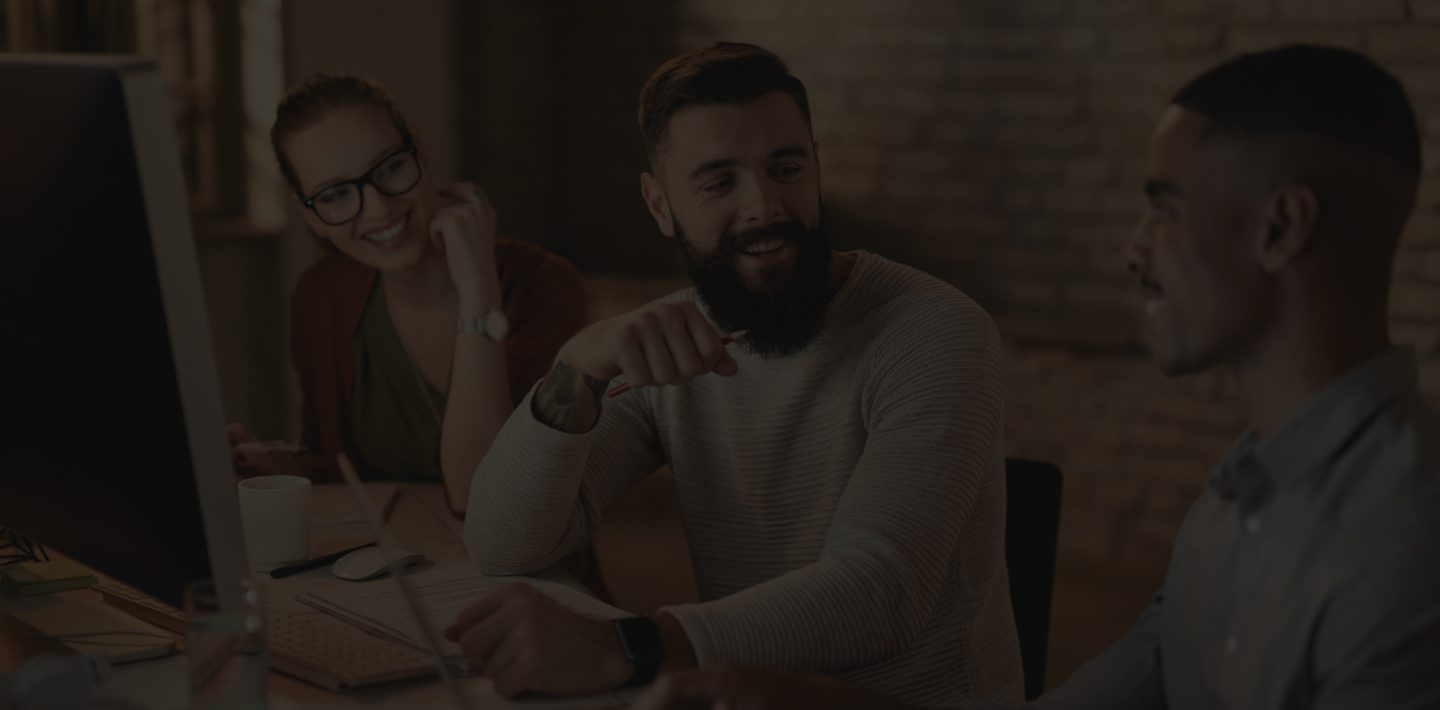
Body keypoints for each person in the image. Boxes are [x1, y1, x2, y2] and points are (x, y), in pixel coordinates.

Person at [630, 44, 1440, 710]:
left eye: (1166, 209)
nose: (1135, 249)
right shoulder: (1240, 495)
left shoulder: (1401, 543)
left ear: (1282, 228)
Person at [442, 43, 1023, 705]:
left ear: (816, 166)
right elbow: (501, 541)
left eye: (785, 167)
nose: (764, 206)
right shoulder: (669, 342)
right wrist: (577, 366)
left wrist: (623, 647)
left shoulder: (934, 330)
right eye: (719, 182)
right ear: (660, 205)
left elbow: (879, 591)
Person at [228, 71, 586, 521]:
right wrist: (276, 468)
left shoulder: (544, 285)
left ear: (419, 152)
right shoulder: (320, 296)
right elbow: (335, 462)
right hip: (385, 576)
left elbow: (487, 500)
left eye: (391, 167)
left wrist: (479, 292)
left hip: (524, 578)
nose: (379, 208)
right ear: (311, 216)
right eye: (336, 193)